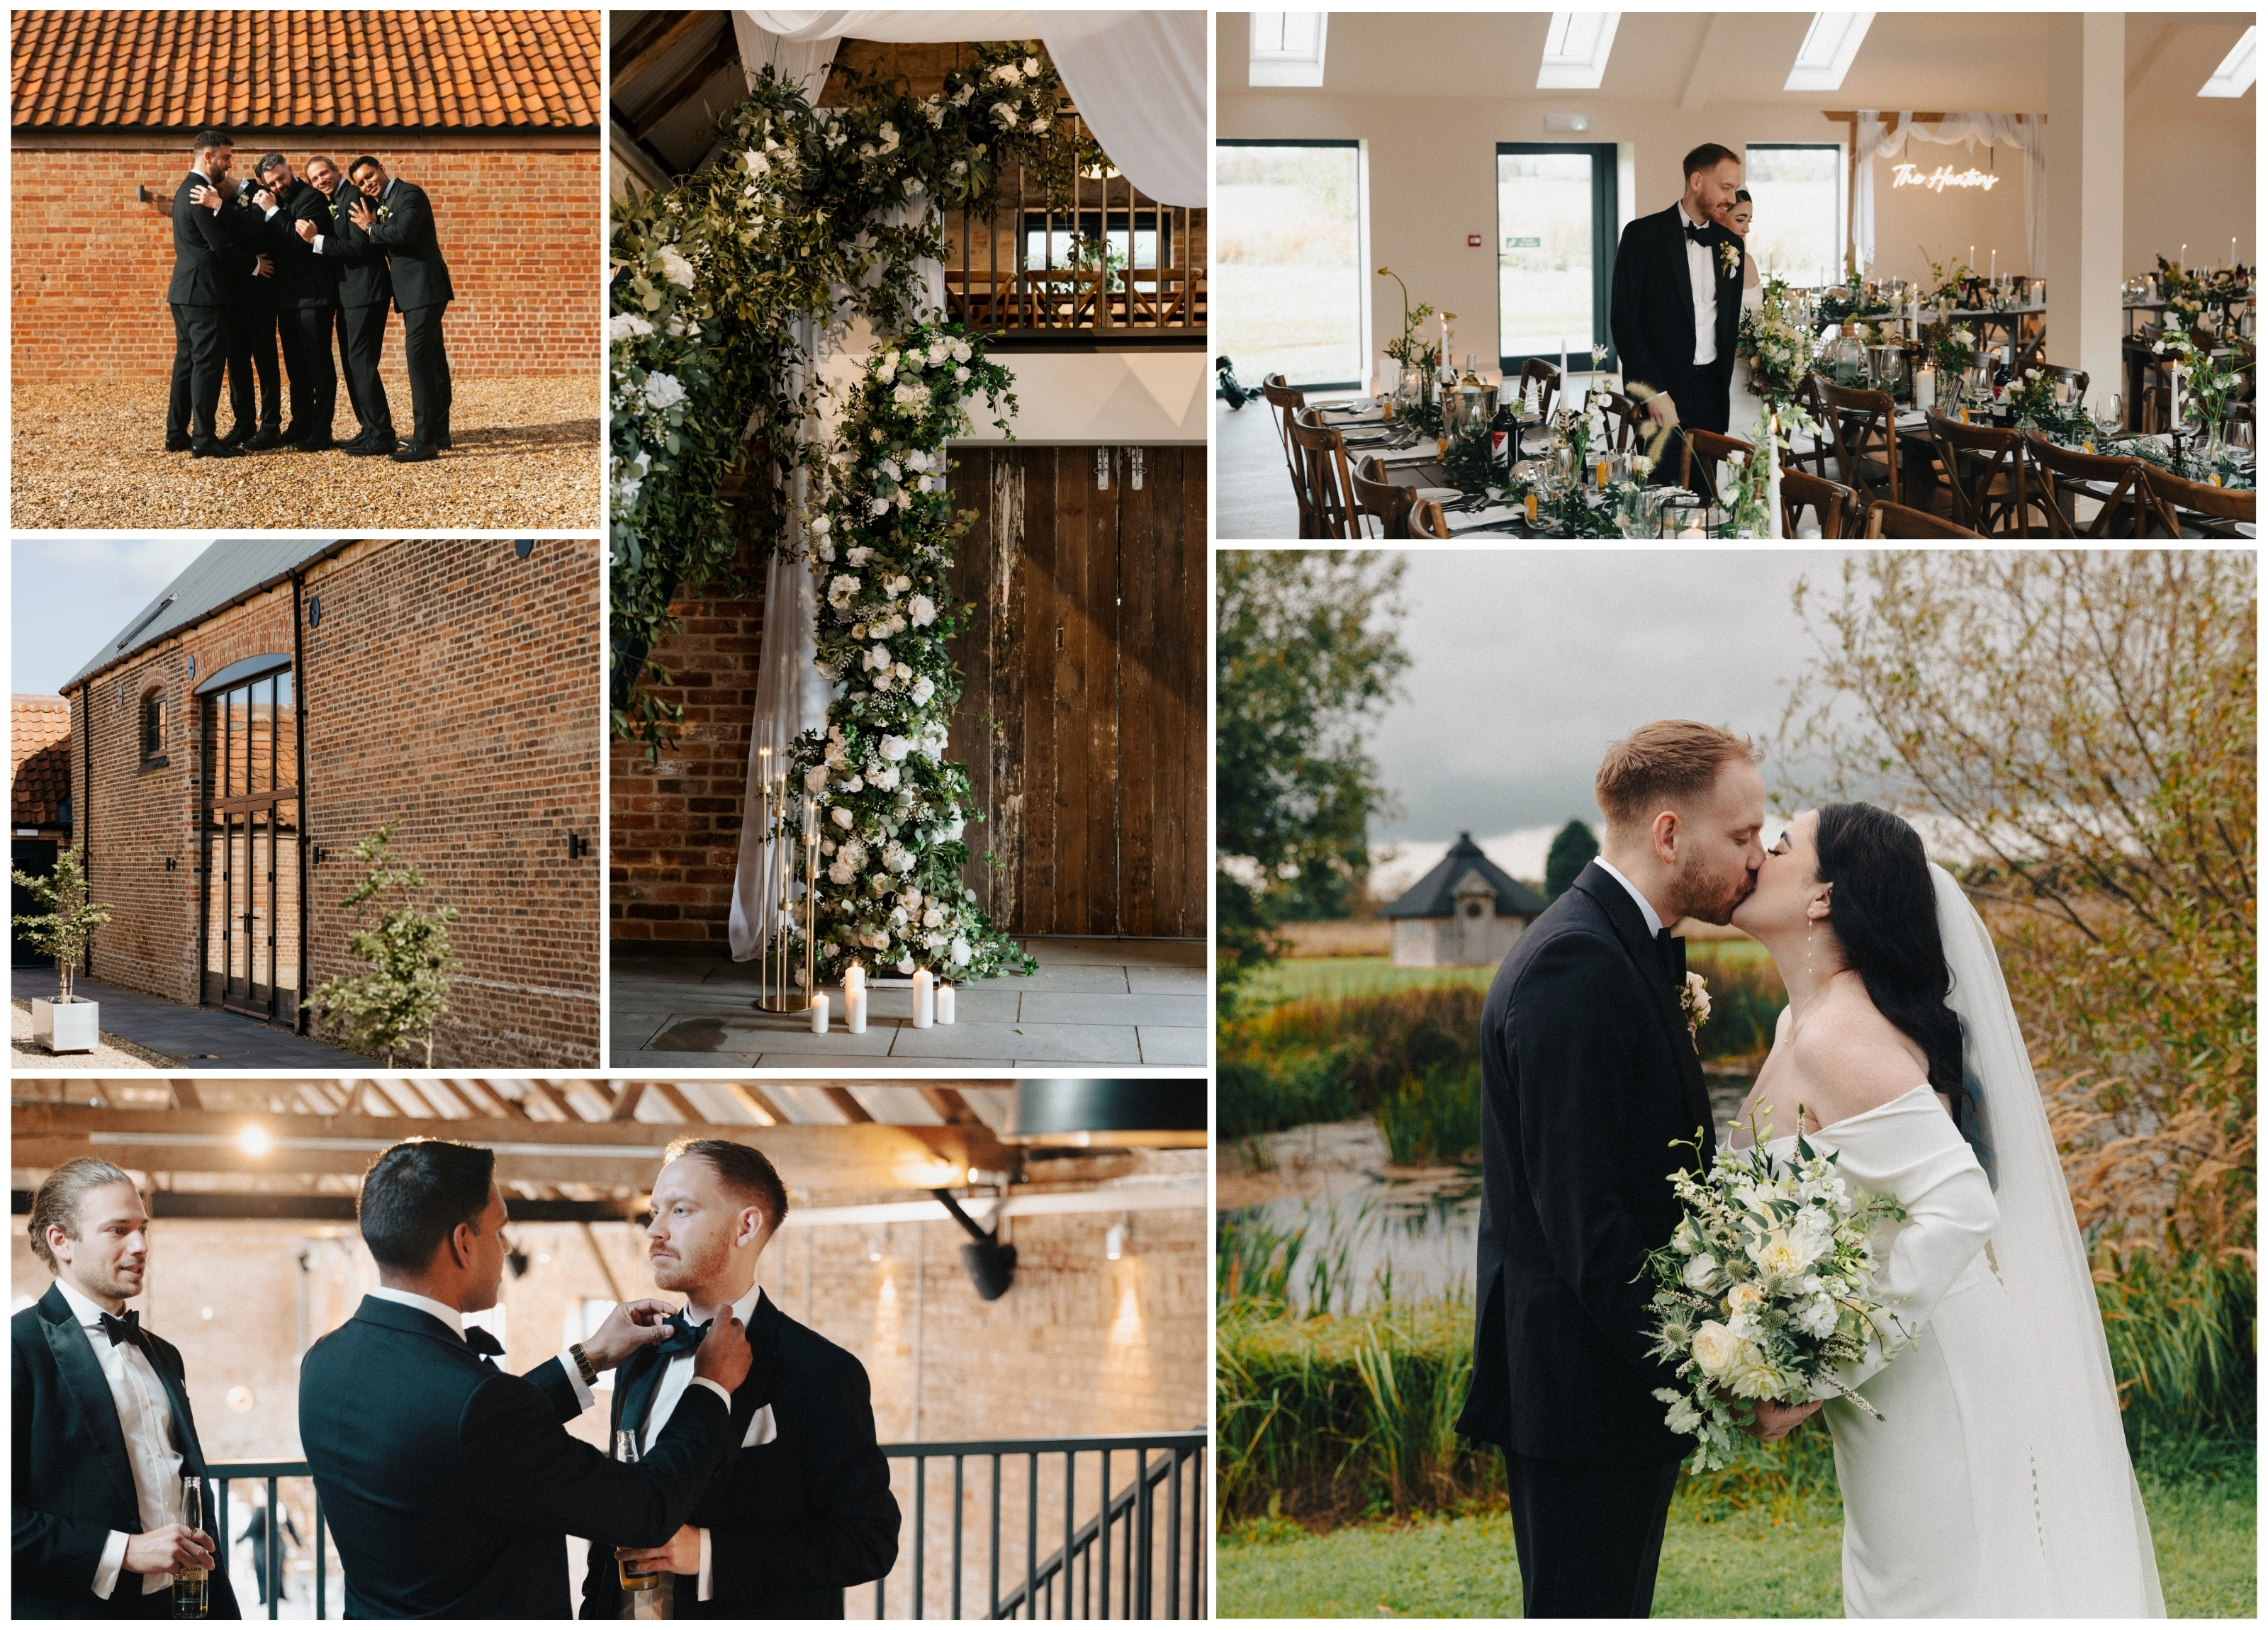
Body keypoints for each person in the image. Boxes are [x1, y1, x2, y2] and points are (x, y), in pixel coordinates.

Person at [1726, 803, 2165, 1616]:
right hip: (1895, 1370)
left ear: (1822, 896)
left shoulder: (1837, 1037)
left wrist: (1828, 1361)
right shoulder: (1800, 1021)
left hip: (1934, 1370)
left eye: (1779, 843)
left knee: (1941, 1595)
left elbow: (1960, 1205)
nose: (1756, 852)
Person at [1455, 719, 1767, 1616]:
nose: (1753, 858)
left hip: (1609, 1388)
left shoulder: (1621, 943)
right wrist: (1706, 1360)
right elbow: (1584, 1221)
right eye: (1740, 836)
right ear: (1669, 833)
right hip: (1578, 1393)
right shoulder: (1574, 963)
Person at [299, 1139, 751, 1617]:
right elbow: (645, 1512)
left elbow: (458, 1438)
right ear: (462, 1243)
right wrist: (710, 1385)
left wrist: (589, 1358)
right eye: (500, 1230)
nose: (508, 1246)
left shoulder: (325, 1362)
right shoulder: (479, 1409)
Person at [580, 1137, 902, 1619]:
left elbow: (868, 1540)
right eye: (654, 1212)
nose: (655, 1231)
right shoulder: (639, 1355)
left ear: (746, 1225)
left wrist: (708, 1553)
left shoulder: (821, 1372)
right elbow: (621, 1515)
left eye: (681, 1211)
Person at [12, 1158, 243, 1619]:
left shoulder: (164, 1354)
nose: (140, 1246)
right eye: (118, 1230)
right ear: (62, 1242)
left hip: (184, 1608)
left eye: (143, 1229)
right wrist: (124, 1552)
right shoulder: (18, 1348)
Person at [1609, 143, 1747, 483]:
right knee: (1661, 492)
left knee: (1704, 495)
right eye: (1725, 188)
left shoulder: (1732, 245)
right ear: (1697, 181)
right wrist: (1651, 392)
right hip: (1663, 391)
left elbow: (1726, 321)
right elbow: (1624, 321)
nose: (1732, 198)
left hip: (1713, 390)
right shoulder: (1642, 235)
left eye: (1734, 188)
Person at [344, 155, 454, 460]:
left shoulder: (410, 194)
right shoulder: (385, 202)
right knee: (432, 359)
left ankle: (425, 442)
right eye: (361, 183)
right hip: (414, 292)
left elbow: (403, 233)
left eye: (369, 176)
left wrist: (370, 228)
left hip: (425, 287)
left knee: (418, 360)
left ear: (381, 168)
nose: (368, 184)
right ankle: (438, 433)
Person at [297, 154, 395, 457]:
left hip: (366, 293)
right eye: (315, 179)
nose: (321, 180)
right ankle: (368, 428)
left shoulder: (353, 196)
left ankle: (383, 434)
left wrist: (317, 241)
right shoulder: (337, 200)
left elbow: (361, 245)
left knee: (362, 364)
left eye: (324, 173)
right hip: (350, 296)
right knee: (355, 366)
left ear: (336, 171)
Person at [164, 130, 250, 459]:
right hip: (205, 292)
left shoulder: (185, 189)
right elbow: (221, 244)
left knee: (187, 362)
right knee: (207, 365)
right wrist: (255, 264)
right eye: (226, 157)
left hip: (185, 289)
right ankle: (203, 438)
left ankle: (176, 434)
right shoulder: (200, 192)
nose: (230, 164)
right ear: (209, 157)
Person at [254, 152, 341, 451]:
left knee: (319, 366)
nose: (279, 185)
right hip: (287, 299)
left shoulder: (311, 199)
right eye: (273, 183)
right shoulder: (278, 201)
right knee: (296, 368)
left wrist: (273, 211)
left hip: (314, 297)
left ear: (290, 170)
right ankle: (301, 422)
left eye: (282, 177)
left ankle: (322, 429)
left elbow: (299, 243)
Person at [1722, 189, 1765, 442]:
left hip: (1749, 374)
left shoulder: (1747, 260)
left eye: (1749, 221)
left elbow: (1760, 323)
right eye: (1740, 219)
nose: (1746, 229)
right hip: (1723, 375)